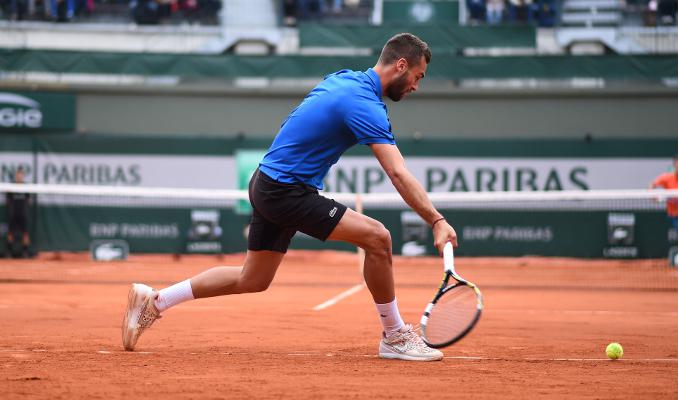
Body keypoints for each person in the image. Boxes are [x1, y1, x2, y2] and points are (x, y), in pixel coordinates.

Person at [122, 33, 458, 361]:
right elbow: (397, 173)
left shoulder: (345, 79)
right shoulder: (363, 104)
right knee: (378, 238)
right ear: (401, 65)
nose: (416, 86)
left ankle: (154, 301)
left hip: (267, 180)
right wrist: (436, 220)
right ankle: (395, 335)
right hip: (285, 190)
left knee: (251, 279)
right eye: (418, 76)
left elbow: (298, 120)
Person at [5, 167, 32, 258]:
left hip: (23, 214)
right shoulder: (11, 186)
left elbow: (29, 200)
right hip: (13, 214)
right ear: (16, 176)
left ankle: (25, 252)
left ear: (23, 176)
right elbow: (8, 201)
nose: (19, 176)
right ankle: (9, 252)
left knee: (25, 233)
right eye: (18, 175)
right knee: (10, 233)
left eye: (21, 175)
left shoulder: (26, 187)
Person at [650, 154, 678, 230]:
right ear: (674, 165)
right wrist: (653, 197)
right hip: (674, 215)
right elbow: (653, 184)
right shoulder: (666, 177)